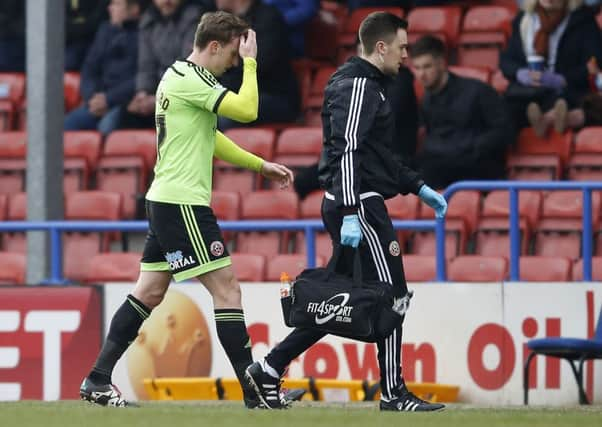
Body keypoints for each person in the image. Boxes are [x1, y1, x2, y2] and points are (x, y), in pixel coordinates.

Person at [79, 11, 294, 408]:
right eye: (230, 54)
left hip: (165, 198)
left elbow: (210, 136)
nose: (232, 62)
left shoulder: (180, 77)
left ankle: (96, 378)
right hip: (182, 204)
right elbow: (247, 110)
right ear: (214, 46)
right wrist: (251, 62)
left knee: (150, 290)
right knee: (226, 287)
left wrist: (259, 164)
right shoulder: (192, 80)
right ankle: (255, 391)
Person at [244, 12, 448, 412]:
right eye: (403, 47)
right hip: (358, 203)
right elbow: (348, 149)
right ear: (381, 47)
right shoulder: (359, 84)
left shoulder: (369, 85)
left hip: (351, 200)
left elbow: (376, 154)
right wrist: (354, 209)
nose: (407, 54)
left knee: (333, 300)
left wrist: (416, 185)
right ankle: (394, 394)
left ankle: (268, 370)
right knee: (394, 296)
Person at [412, 35, 512, 189]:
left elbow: (503, 130)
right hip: (440, 171)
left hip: (477, 172)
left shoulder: (478, 91)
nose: (421, 74)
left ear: (441, 63)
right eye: (417, 68)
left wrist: (475, 147)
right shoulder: (425, 101)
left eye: (427, 66)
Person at [500, 0, 602, 133]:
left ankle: (550, 119)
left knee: (567, 102)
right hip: (528, 93)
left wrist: (562, 79)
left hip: (568, 91)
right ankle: (547, 119)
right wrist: (520, 73)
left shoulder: (583, 20)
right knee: (504, 109)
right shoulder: (524, 19)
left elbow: (594, 64)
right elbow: (506, 61)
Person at [215, 0, 300, 130]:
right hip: (238, 93)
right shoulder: (224, 22)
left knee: (221, 117)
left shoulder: (268, 18)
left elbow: (260, 64)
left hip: (273, 96)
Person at [123, 0, 206, 128]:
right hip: (157, 95)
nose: (166, 1)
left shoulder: (195, 19)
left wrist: (159, 100)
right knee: (123, 118)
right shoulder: (148, 22)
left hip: (188, 97)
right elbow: (146, 66)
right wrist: (143, 94)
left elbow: (188, 69)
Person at [64, 0, 141, 136]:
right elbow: (89, 69)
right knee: (66, 126)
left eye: (117, 4)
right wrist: (92, 97)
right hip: (97, 102)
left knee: (106, 127)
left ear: (134, 9)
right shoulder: (104, 31)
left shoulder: (143, 34)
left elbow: (142, 77)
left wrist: (109, 99)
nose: (110, 8)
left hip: (124, 103)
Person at [65, 0, 110, 71]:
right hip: (69, 41)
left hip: (92, 41)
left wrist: (78, 26)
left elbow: (96, 22)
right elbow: (60, 23)